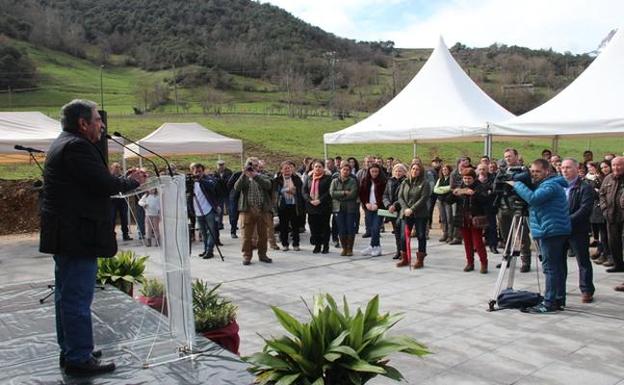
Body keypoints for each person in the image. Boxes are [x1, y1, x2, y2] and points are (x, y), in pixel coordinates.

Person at [40, 99, 146, 376]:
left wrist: (123, 179)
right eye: (98, 119)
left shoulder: (63, 143)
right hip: (77, 236)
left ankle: (73, 349)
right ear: (83, 123)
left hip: (67, 234)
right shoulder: (77, 147)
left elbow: (91, 183)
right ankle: (78, 357)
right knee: (76, 298)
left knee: (66, 297)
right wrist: (133, 181)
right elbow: (103, 184)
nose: (102, 124)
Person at [510, 158, 571, 313]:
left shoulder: (550, 185)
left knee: (550, 268)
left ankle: (549, 303)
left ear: (547, 171)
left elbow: (533, 199)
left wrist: (517, 185)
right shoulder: (548, 184)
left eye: (538, 171)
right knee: (555, 267)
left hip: (551, 231)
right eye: (532, 171)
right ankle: (557, 299)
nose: (534, 174)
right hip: (551, 230)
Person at [560, 158, 595, 303]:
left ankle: (587, 290)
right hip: (560, 229)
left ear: (576, 169)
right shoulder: (558, 185)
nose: (564, 170)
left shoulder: (585, 187)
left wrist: (567, 220)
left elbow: (585, 209)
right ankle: (559, 287)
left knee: (583, 260)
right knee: (559, 261)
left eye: (568, 167)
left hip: (577, 230)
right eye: (562, 167)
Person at [234, 157, 274, 265]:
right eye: (251, 165)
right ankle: (247, 256)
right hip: (247, 209)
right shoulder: (243, 177)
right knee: (246, 236)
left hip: (262, 209)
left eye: (256, 165)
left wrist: (255, 176)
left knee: (263, 235)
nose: (254, 168)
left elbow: (268, 185)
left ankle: (263, 255)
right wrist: (244, 174)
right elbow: (236, 187)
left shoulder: (263, 176)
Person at [498, 148, 532, 272]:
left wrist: (509, 179)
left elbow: (524, 179)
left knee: (522, 235)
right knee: (505, 234)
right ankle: (506, 258)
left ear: (516, 156)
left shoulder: (524, 170)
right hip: (504, 206)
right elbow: (497, 184)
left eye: (510, 156)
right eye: (506, 156)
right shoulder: (502, 170)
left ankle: (525, 261)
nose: (507, 159)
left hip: (519, 206)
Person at [450, 168, 489, 273]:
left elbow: (486, 200)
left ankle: (484, 263)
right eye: (465, 178)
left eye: (469, 178)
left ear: (474, 178)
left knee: (478, 242)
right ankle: (470, 263)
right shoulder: (460, 186)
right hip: (462, 218)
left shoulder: (479, 186)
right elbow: (449, 201)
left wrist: (474, 194)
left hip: (475, 218)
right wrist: (453, 194)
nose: (466, 180)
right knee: (467, 242)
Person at [396, 163, 431, 268]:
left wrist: (412, 209)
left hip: (420, 214)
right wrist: (406, 208)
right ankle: (405, 258)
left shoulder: (425, 183)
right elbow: (400, 197)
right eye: (413, 169)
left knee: (421, 236)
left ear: (421, 171)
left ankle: (420, 260)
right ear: (410, 170)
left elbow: (424, 198)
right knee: (403, 237)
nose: (415, 171)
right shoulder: (405, 182)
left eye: (417, 169)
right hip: (406, 213)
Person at [599, 156, 624, 277]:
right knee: (613, 242)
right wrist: (604, 209)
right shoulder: (608, 178)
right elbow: (602, 194)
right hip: (611, 216)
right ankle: (618, 264)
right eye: (614, 165)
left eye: (619, 165)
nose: (616, 168)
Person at [190, 163, 220, 259]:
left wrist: (201, 180)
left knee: (211, 231)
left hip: (209, 209)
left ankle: (209, 250)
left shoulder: (208, 179)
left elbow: (213, 185)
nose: (198, 173)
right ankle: (205, 249)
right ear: (192, 172)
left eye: (200, 171)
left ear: (203, 171)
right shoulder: (191, 182)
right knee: (203, 232)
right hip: (198, 210)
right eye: (196, 171)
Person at [302, 160, 333, 253]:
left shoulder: (328, 178)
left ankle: (326, 246)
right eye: (316, 166)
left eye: (320, 166)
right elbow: (304, 191)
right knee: (314, 227)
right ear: (313, 168)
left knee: (324, 227)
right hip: (311, 207)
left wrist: (320, 200)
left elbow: (329, 192)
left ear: (323, 168)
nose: (318, 168)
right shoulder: (308, 177)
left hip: (323, 206)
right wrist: (310, 200)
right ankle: (317, 245)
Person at [330, 161, 359, 256]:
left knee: (350, 228)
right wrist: (343, 193)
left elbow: (353, 194)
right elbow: (332, 193)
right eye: (344, 169)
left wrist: (340, 196)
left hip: (350, 209)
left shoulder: (353, 181)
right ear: (340, 170)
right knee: (341, 229)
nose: (345, 171)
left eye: (347, 170)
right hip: (338, 208)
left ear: (350, 171)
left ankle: (350, 248)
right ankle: (344, 248)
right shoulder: (334, 181)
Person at [359, 163, 387, 257]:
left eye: (376, 171)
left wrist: (377, 204)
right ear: (369, 171)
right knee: (371, 228)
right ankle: (374, 246)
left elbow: (384, 195)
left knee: (376, 228)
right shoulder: (365, 180)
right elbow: (362, 194)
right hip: (368, 207)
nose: (374, 173)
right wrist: (366, 203)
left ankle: (376, 247)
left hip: (379, 208)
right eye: (372, 171)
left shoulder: (383, 181)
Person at [275, 161, 303, 251]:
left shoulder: (296, 178)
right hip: (283, 205)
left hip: (294, 204)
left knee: (295, 225)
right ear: (281, 170)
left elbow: (300, 189)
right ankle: (285, 244)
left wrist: (294, 191)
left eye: (289, 168)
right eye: (285, 168)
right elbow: (276, 191)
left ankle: (296, 244)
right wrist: (287, 189)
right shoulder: (278, 179)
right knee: (284, 226)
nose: (288, 169)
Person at [383, 163, 407, 259]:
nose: (398, 173)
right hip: (391, 210)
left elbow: (404, 197)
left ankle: (404, 252)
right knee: (396, 233)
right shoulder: (389, 181)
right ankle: (398, 251)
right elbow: (385, 195)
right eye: (396, 171)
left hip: (401, 210)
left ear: (404, 172)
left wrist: (394, 205)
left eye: (400, 171)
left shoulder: (406, 182)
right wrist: (388, 205)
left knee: (403, 234)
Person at [592, 161, 612, 265]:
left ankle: (610, 255)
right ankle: (604, 253)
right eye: (602, 167)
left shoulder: (613, 178)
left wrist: (599, 192)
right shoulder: (598, 179)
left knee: (609, 235)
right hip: (599, 210)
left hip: (610, 210)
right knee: (602, 234)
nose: (604, 169)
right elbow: (595, 194)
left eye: (606, 167)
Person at [477, 163, 498, 254]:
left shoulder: (492, 179)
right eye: (480, 169)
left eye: (483, 169)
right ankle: (477, 246)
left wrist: (486, 192)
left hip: (489, 206)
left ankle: (493, 245)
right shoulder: (475, 179)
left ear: (487, 170)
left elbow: (493, 191)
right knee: (477, 227)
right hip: (478, 207)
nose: (482, 171)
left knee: (492, 227)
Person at [109, 162, 132, 241]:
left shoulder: (122, 178)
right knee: (112, 218)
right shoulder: (109, 177)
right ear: (112, 169)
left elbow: (126, 186)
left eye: (118, 168)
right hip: (112, 201)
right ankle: (111, 236)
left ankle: (125, 235)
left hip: (122, 200)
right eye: (115, 168)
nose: (117, 170)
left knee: (124, 218)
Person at [434, 164, 453, 242]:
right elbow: (435, 190)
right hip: (440, 201)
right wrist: (444, 189)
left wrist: (441, 189)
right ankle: (444, 233)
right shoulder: (440, 179)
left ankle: (450, 235)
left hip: (448, 201)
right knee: (443, 218)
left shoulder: (451, 179)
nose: (444, 171)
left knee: (449, 218)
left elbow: (451, 188)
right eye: (443, 170)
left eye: (446, 169)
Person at [212, 160, 232, 232]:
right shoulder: (215, 172)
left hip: (227, 193)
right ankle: (220, 224)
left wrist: (220, 180)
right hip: (219, 194)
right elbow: (215, 181)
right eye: (219, 165)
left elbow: (228, 181)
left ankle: (232, 224)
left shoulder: (229, 172)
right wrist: (221, 180)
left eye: (222, 165)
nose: (221, 166)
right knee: (219, 210)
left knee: (230, 209)